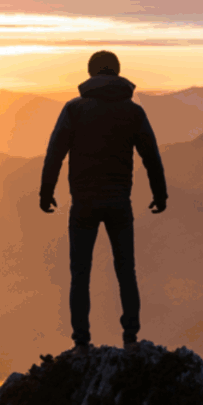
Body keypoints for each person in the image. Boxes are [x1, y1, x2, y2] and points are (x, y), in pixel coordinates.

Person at [39, 50, 167, 352]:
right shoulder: (133, 112)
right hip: (119, 203)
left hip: (83, 204)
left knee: (80, 272)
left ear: (91, 74)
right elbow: (151, 156)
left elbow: (54, 153)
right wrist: (159, 194)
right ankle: (131, 337)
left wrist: (46, 193)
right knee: (126, 269)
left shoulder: (74, 110)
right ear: (118, 74)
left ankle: (81, 341)